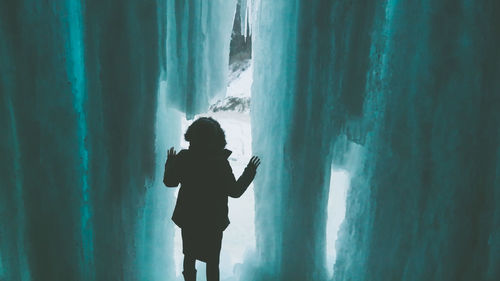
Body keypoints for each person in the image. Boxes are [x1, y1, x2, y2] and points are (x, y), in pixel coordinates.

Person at [163, 117, 260, 281]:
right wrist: (249, 171)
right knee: (212, 261)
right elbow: (235, 191)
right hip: (213, 220)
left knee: (189, 256)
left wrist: (170, 162)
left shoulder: (184, 157)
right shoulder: (220, 163)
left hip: (189, 218)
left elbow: (170, 182)